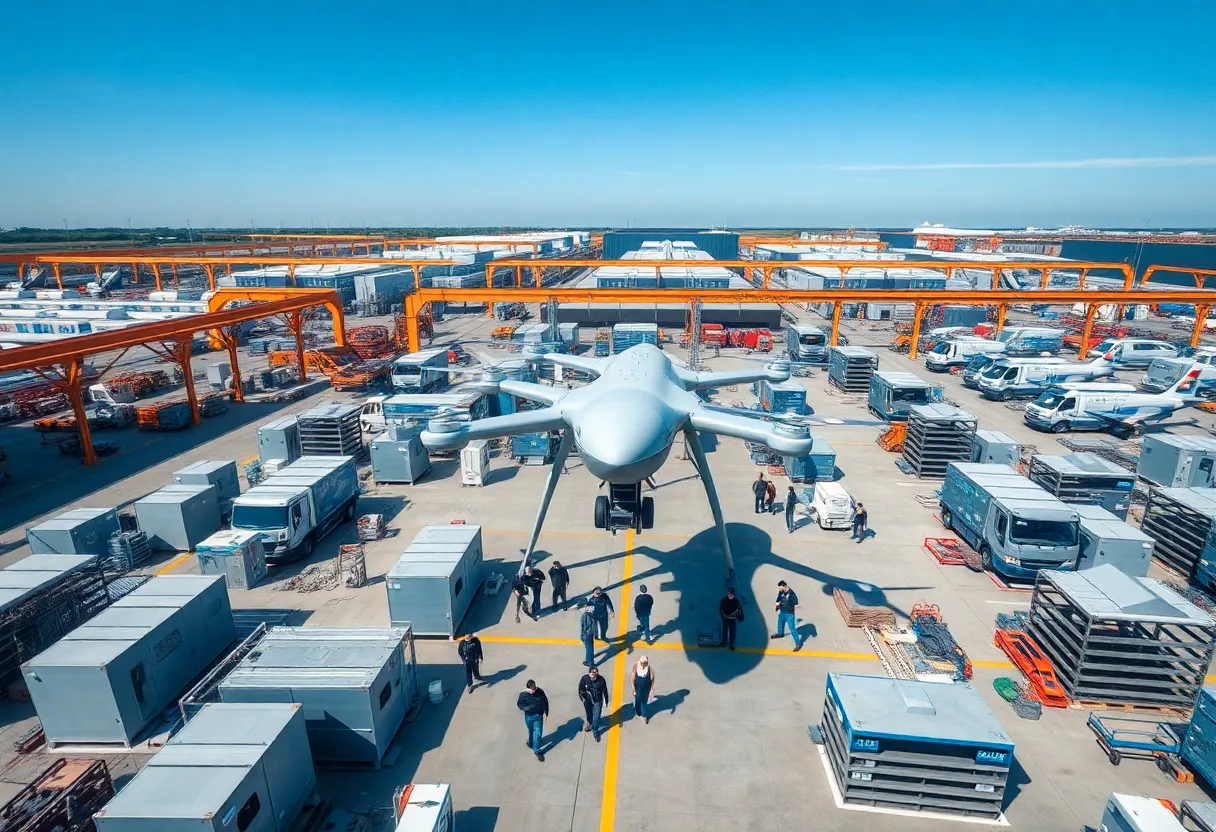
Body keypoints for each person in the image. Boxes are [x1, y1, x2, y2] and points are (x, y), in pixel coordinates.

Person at [516, 679, 549, 762]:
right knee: (531, 730)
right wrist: (528, 708)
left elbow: (545, 701)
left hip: (538, 716)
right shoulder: (523, 694)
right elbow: (520, 705)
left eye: (534, 688)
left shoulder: (540, 691)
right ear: (528, 688)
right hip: (529, 716)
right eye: (532, 689)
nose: (533, 690)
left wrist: (546, 711)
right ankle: (530, 742)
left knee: (537, 733)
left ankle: (536, 749)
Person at [578, 665, 610, 741]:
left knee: (596, 717)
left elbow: (605, 691)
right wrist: (583, 699)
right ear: (589, 673)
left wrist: (606, 701)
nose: (594, 675)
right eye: (592, 673)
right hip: (587, 701)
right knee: (589, 714)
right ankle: (589, 723)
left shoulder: (601, 680)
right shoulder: (585, 679)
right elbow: (580, 690)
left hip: (597, 701)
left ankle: (595, 731)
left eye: (595, 673)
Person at [771, 580, 803, 651]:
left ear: (785, 586)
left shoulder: (792, 594)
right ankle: (780, 633)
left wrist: (792, 613)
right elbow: (778, 598)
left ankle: (798, 644)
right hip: (782, 612)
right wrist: (777, 605)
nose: (779, 589)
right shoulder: (781, 592)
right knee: (780, 623)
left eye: (780, 588)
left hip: (789, 614)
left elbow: (796, 605)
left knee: (792, 629)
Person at [630, 655, 657, 724]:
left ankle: (644, 716)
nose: (643, 664)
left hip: (646, 687)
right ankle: (638, 712)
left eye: (645, 663)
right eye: (642, 663)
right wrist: (633, 687)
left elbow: (652, 677)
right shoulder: (636, 666)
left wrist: (651, 687)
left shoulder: (648, 667)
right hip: (638, 687)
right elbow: (633, 677)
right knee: (638, 700)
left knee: (644, 702)